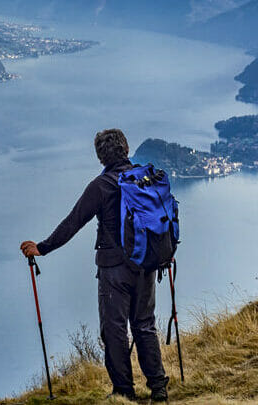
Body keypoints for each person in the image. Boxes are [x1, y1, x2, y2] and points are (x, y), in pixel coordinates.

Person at [20, 129, 169, 402]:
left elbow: (73, 222)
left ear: (101, 157)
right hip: (146, 264)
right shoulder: (143, 178)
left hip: (114, 269)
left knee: (114, 331)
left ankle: (124, 392)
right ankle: (159, 388)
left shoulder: (101, 186)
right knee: (144, 324)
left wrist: (42, 247)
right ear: (126, 148)